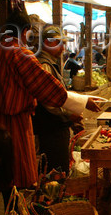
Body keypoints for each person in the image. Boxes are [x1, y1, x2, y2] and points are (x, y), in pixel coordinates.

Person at [0, 11, 100, 195]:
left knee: (1, 175)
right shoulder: (21, 54)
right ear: (25, 31)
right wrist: (84, 102)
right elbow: (47, 89)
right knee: (19, 177)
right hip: (14, 125)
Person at [31, 24, 84, 172]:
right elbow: (49, 101)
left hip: (54, 126)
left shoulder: (48, 63)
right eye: (61, 43)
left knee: (54, 169)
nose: (63, 48)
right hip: (51, 128)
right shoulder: (44, 65)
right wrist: (69, 116)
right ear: (49, 43)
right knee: (55, 171)